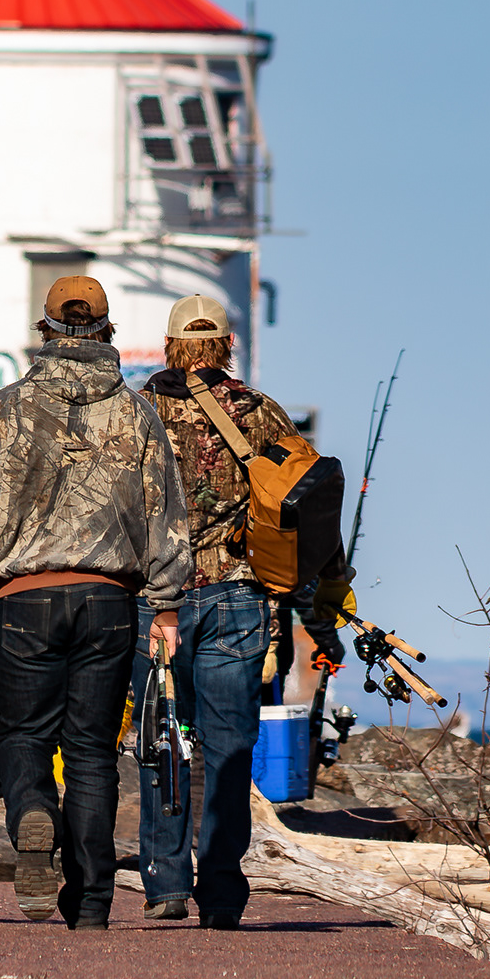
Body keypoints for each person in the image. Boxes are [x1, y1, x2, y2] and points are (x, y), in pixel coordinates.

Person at [0, 273, 191, 930]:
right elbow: (165, 517)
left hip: (25, 600)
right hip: (108, 603)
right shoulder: (137, 414)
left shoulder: (5, 410)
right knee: (92, 752)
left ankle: (32, 818)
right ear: (107, 330)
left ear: (44, 329)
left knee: (24, 735)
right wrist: (164, 606)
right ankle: (92, 900)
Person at [132, 293, 346, 929]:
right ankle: (222, 890)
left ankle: (166, 883)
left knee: (162, 739)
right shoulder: (260, 412)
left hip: (156, 601)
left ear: (170, 346)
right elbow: (310, 508)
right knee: (228, 747)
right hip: (239, 594)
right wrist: (324, 610)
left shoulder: (135, 413)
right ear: (228, 345)